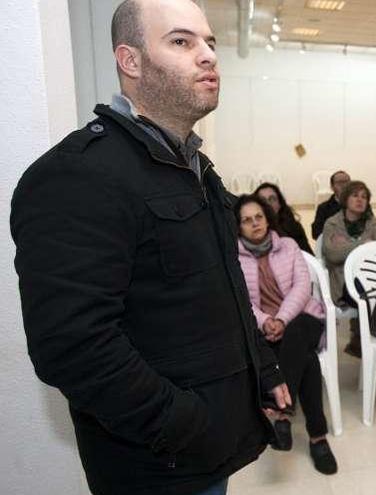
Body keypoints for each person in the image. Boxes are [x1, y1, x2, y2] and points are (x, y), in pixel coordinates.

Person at [10, 1, 291, 494]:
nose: (207, 56)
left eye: (210, 42)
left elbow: (222, 292)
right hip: (156, 466)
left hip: (210, 448)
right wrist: (185, 424)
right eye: (182, 42)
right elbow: (73, 347)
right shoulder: (78, 174)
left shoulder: (195, 170)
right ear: (130, 60)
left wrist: (263, 370)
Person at [235, 195, 337, 475]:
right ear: (238, 227)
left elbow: (303, 288)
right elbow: (243, 301)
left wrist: (281, 318)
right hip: (265, 330)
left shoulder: (289, 246)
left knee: (297, 332)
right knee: (307, 360)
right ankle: (318, 438)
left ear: (267, 218)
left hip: (304, 319)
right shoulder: (234, 258)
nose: (254, 223)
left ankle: (280, 410)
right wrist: (267, 321)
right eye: (246, 220)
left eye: (258, 217)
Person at [321, 181, 376, 391]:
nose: (360, 200)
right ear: (345, 200)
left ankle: (375, 356)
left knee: (372, 297)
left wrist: (348, 246)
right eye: (355, 195)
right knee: (371, 299)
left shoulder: (375, 224)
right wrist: (362, 244)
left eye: (364, 196)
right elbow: (332, 254)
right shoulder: (332, 224)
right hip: (343, 285)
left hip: (372, 280)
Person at [255, 182, 313, 255]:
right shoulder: (248, 231)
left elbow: (308, 256)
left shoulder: (294, 227)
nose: (267, 204)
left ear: (280, 204)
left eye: (272, 199)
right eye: (262, 200)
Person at [311, 170, 350, 240]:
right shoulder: (323, 208)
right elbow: (316, 233)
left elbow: (371, 228)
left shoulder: (361, 205)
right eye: (340, 183)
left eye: (347, 182)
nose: (344, 185)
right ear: (332, 187)